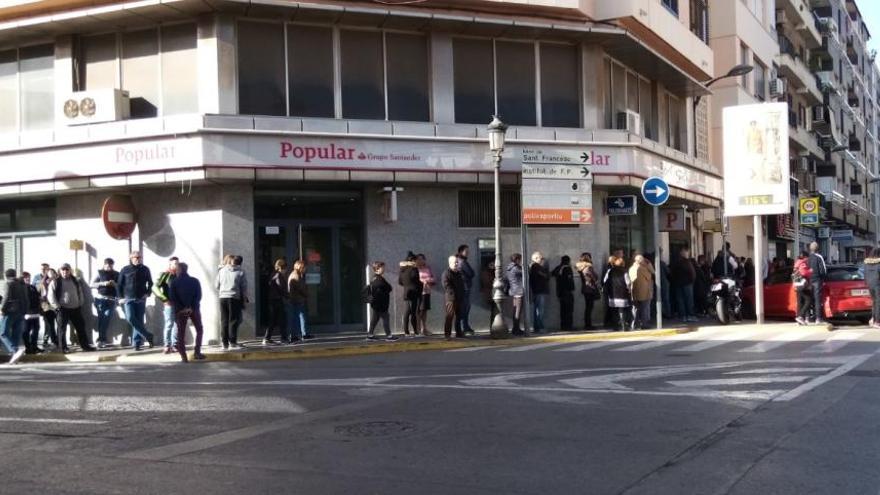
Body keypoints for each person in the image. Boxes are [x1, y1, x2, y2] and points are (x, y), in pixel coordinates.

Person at [49, 263, 94, 353]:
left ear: (70, 271)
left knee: (81, 328)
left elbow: (80, 292)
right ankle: (63, 348)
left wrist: (80, 302)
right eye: (63, 270)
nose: (65, 271)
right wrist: (57, 306)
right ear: (60, 271)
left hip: (76, 308)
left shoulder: (75, 280)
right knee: (62, 329)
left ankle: (85, 346)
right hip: (62, 309)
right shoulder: (55, 281)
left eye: (67, 270)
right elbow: (51, 296)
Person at [117, 251, 155, 351]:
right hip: (128, 298)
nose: (138, 259)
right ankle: (148, 335)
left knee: (139, 321)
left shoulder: (145, 269)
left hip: (141, 299)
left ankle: (137, 343)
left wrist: (148, 293)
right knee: (130, 318)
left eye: (139, 257)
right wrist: (120, 298)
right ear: (131, 258)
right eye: (136, 257)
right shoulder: (125, 269)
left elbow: (150, 283)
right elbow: (119, 284)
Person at [169, 262, 205, 362]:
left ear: (179, 270)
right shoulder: (195, 281)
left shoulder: (174, 282)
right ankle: (197, 352)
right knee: (199, 329)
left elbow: (173, 298)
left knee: (181, 333)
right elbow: (198, 296)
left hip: (180, 311)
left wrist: (183, 308)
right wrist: (191, 307)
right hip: (194, 309)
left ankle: (184, 356)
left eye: (176, 269)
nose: (175, 271)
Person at [216, 255, 248, 349]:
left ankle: (224, 343)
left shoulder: (221, 271)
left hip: (222, 297)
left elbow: (216, 285)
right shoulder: (241, 271)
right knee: (233, 320)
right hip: (234, 297)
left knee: (224, 320)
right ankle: (233, 342)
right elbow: (243, 287)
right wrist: (244, 299)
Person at [0, 269, 29, 364]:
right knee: (16, 334)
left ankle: (15, 350)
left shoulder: (8, 283)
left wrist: (2, 309)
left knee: (3, 333)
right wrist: (25, 310)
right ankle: (15, 356)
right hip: (21, 311)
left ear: (6, 276)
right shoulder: (22, 284)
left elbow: (6, 297)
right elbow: (26, 298)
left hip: (10, 311)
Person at [90, 258, 119, 348]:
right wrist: (103, 283)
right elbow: (91, 284)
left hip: (112, 299)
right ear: (104, 264)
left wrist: (115, 284)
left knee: (106, 319)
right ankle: (101, 339)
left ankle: (101, 339)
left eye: (110, 265)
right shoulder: (99, 272)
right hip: (100, 299)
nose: (108, 267)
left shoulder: (116, 274)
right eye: (107, 265)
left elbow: (120, 286)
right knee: (102, 319)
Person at [153, 256, 179, 354]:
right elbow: (155, 287)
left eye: (177, 263)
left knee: (177, 324)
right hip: (169, 304)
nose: (176, 265)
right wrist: (164, 299)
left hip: (179, 304)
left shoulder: (180, 275)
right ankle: (167, 345)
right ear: (170, 264)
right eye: (174, 263)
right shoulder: (164, 274)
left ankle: (175, 344)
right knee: (169, 324)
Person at [366, 262, 397, 341]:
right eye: (382, 267)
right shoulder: (378, 279)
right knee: (386, 318)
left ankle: (370, 335)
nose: (384, 269)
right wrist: (387, 288)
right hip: (380, 304)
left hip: (377, 303)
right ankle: (389, 336)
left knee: (375, 319)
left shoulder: (375, 278)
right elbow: (388, 287)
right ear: (377, 269)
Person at [265, 258, 290, 345]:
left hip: (272, 300)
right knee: (282, 319)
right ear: (282, 268)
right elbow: (281, 288)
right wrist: (288, 296)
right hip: (277, 300)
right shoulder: (278, 275)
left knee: (272, 320)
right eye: (285, 269)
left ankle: (267, 338)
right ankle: (284, 338)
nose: (286, 271)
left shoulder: (272, 274)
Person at [603, 256, 631, 332]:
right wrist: (629, 290)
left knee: (614, 311)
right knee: (621, 310)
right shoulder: (624, 272)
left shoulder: (610, 271)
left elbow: (605, 281)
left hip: (612, 294)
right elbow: (628, 283)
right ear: (623, 264)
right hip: (622, 294)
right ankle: (623, 326)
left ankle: (615, 326)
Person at [442, 255, 466, 339]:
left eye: (457, 262)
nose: (456, 264)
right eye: (454, 262)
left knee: (459, 316)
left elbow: (461, 285)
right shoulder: (446, 273)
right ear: (450, 263)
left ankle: (458, 333)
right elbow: (447, 286)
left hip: (459, 298)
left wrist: (462, 294)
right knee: (450, 316)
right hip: (451, 299)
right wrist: (454, 294)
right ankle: (447, 334)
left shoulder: (458, 273)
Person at [398, 252, 422, 337]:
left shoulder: (402, 269)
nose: (416, 262)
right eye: (415, 260)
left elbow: (400, 282)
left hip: (406, 292)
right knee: (413, 312)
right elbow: (417, 280)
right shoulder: (414, 269)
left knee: (407, 312)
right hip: (414, 292)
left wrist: (407, 285)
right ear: (412, 260)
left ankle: (406, 331)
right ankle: (415, 331)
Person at [671, 247, 697, 322]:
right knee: (689, 300)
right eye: (687, 252)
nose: (688, 253)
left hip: (678, 284)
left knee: (680, 300)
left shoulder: (675, 262)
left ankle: (683, 316)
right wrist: (692, 281)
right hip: (687, 283)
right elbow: (692, 273)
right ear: (683, 253)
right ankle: (690, 315)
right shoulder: (687, 262)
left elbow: (672, 273)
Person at [629, 255, 654, 330]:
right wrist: (648, 265)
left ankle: (634, 324)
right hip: (644, 291)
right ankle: (644, 323)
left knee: (635, 308)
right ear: (641, 261)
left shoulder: (631, 268)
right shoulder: (642, 268)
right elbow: (650, 275)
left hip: (634, 291)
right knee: (644, 308)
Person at [575, 253, 600, 330]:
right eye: (590, 257)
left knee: (588, 307)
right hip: (590, 288)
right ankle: (588, 325)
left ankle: (588, 324)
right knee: (589, 307)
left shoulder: (581, 267)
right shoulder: (588, 268)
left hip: (586, 288)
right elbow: (594, 277)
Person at [288, 259, 310, 341]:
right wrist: (306, 295)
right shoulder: (296, 276)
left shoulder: (296, 274)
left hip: (297, 300)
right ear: (300, 267)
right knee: (298, 318)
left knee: (299, 317)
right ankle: (297, 335)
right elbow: (301, 288)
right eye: (304, 268)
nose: (305, 269)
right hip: (297, 300)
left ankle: (301, 334)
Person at [456, 245, 476, 335]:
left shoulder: (459, 261)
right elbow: (471, 273)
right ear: (460, 252)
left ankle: (465, 327)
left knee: (464, 308)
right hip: (465, 287)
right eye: (466, 251)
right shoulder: (462, 262)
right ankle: (464, 328)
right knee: (465, 308)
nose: (468, 253)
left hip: (463, 287)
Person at [551, 255, 575, 331]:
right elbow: (569, 280)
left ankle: (563, 326)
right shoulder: (567, 268)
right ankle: (568, 326)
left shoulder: (558, 268)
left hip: (560, 292)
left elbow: (552, 273)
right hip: (567, 291)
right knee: (569, 310)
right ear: (568, 261)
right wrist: (572, 288)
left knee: (563, 310)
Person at [529, 251, 550, 333]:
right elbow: (546, 276)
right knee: (539, 310)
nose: (542, 260)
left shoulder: (534, 266)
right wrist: (545, 269)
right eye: (541, 258)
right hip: (539, 290)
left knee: (537, 309)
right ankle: (539, 327)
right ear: (535, 258)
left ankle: (537, 327)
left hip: (536, 290)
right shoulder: (536, 266)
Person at [21, 272, 42, 354]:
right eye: (26, 277)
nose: (28, 279)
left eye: (29, 277)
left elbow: (37, 298)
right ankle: (28, 347)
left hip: (35, 312)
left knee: (36, 329)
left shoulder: (32, 287)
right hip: (26, 313)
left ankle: (34, 346)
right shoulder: (21, 288)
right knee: (26, 330)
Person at [504, 253, 525, 335]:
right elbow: (525, 273)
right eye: (520, 259)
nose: (520, 261)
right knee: (518, 311)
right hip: (518, 291)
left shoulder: (509, 268)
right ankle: (516, 329)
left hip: (514, 291)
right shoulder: (515, 268)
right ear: (517, 259)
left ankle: (515, 328)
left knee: (516, 310)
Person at [808, 242, 828, 325]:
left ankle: (808, 317)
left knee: (809, 299)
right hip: (817, 280)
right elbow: (823, 270)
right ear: (818, 248)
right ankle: (818, 318)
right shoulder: (819, 257)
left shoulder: (807, 258)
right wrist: (823, 279)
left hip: (808, 281)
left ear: (810, 249)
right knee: (817, 299)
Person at [793, 251, 814, 326]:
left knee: (800, 302)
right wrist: (810, 271)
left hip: (797, 285)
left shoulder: (797, 262)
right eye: (807, 257)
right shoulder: (803, 263)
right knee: (808, 300)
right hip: (803, 285)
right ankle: (800, 316)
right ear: (805, 257)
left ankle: (799, 319)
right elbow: (804, 273)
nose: (808, 259)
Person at [38, 268, 58, 349]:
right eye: (49, 273)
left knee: (57, 324)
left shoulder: (57, 282)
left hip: (56, 305)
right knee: (50, 325)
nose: (51, 275)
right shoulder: (43, 283)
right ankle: (51, 340)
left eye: (52, 273)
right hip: (46, 306)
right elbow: (40, 295)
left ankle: (55, 340)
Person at [416, 254, 435, 336]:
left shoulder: (428, 268)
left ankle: (424, 328)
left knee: (424, 310)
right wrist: (422, 281)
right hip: (419, 292)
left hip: (427, 291)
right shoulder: (415, 269)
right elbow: (415, 279)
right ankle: (418, 329)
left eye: (422, 259)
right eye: (418, 259)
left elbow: (433, 278)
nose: (420, 261)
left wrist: (428, 280)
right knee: (419, 311)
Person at [864, 248, 880, 329]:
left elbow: (865, 275)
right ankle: (877, 322)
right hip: (878, 284)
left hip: (870, 285)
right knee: (878, 303)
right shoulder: (879, 263)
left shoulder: (866, 264)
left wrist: (866, 283)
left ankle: (873, 319)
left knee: (874, 302)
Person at [480, 260, 499, 327]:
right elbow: (487, 283)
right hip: (490, 294)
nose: (493, 266)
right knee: (494, 311)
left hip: (493, 293)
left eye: (494, 265)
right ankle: (492, 326)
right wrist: (494, 281)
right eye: (491, 265)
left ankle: (493, 325)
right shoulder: (485, 272)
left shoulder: (493, 272)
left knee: (494, 311)